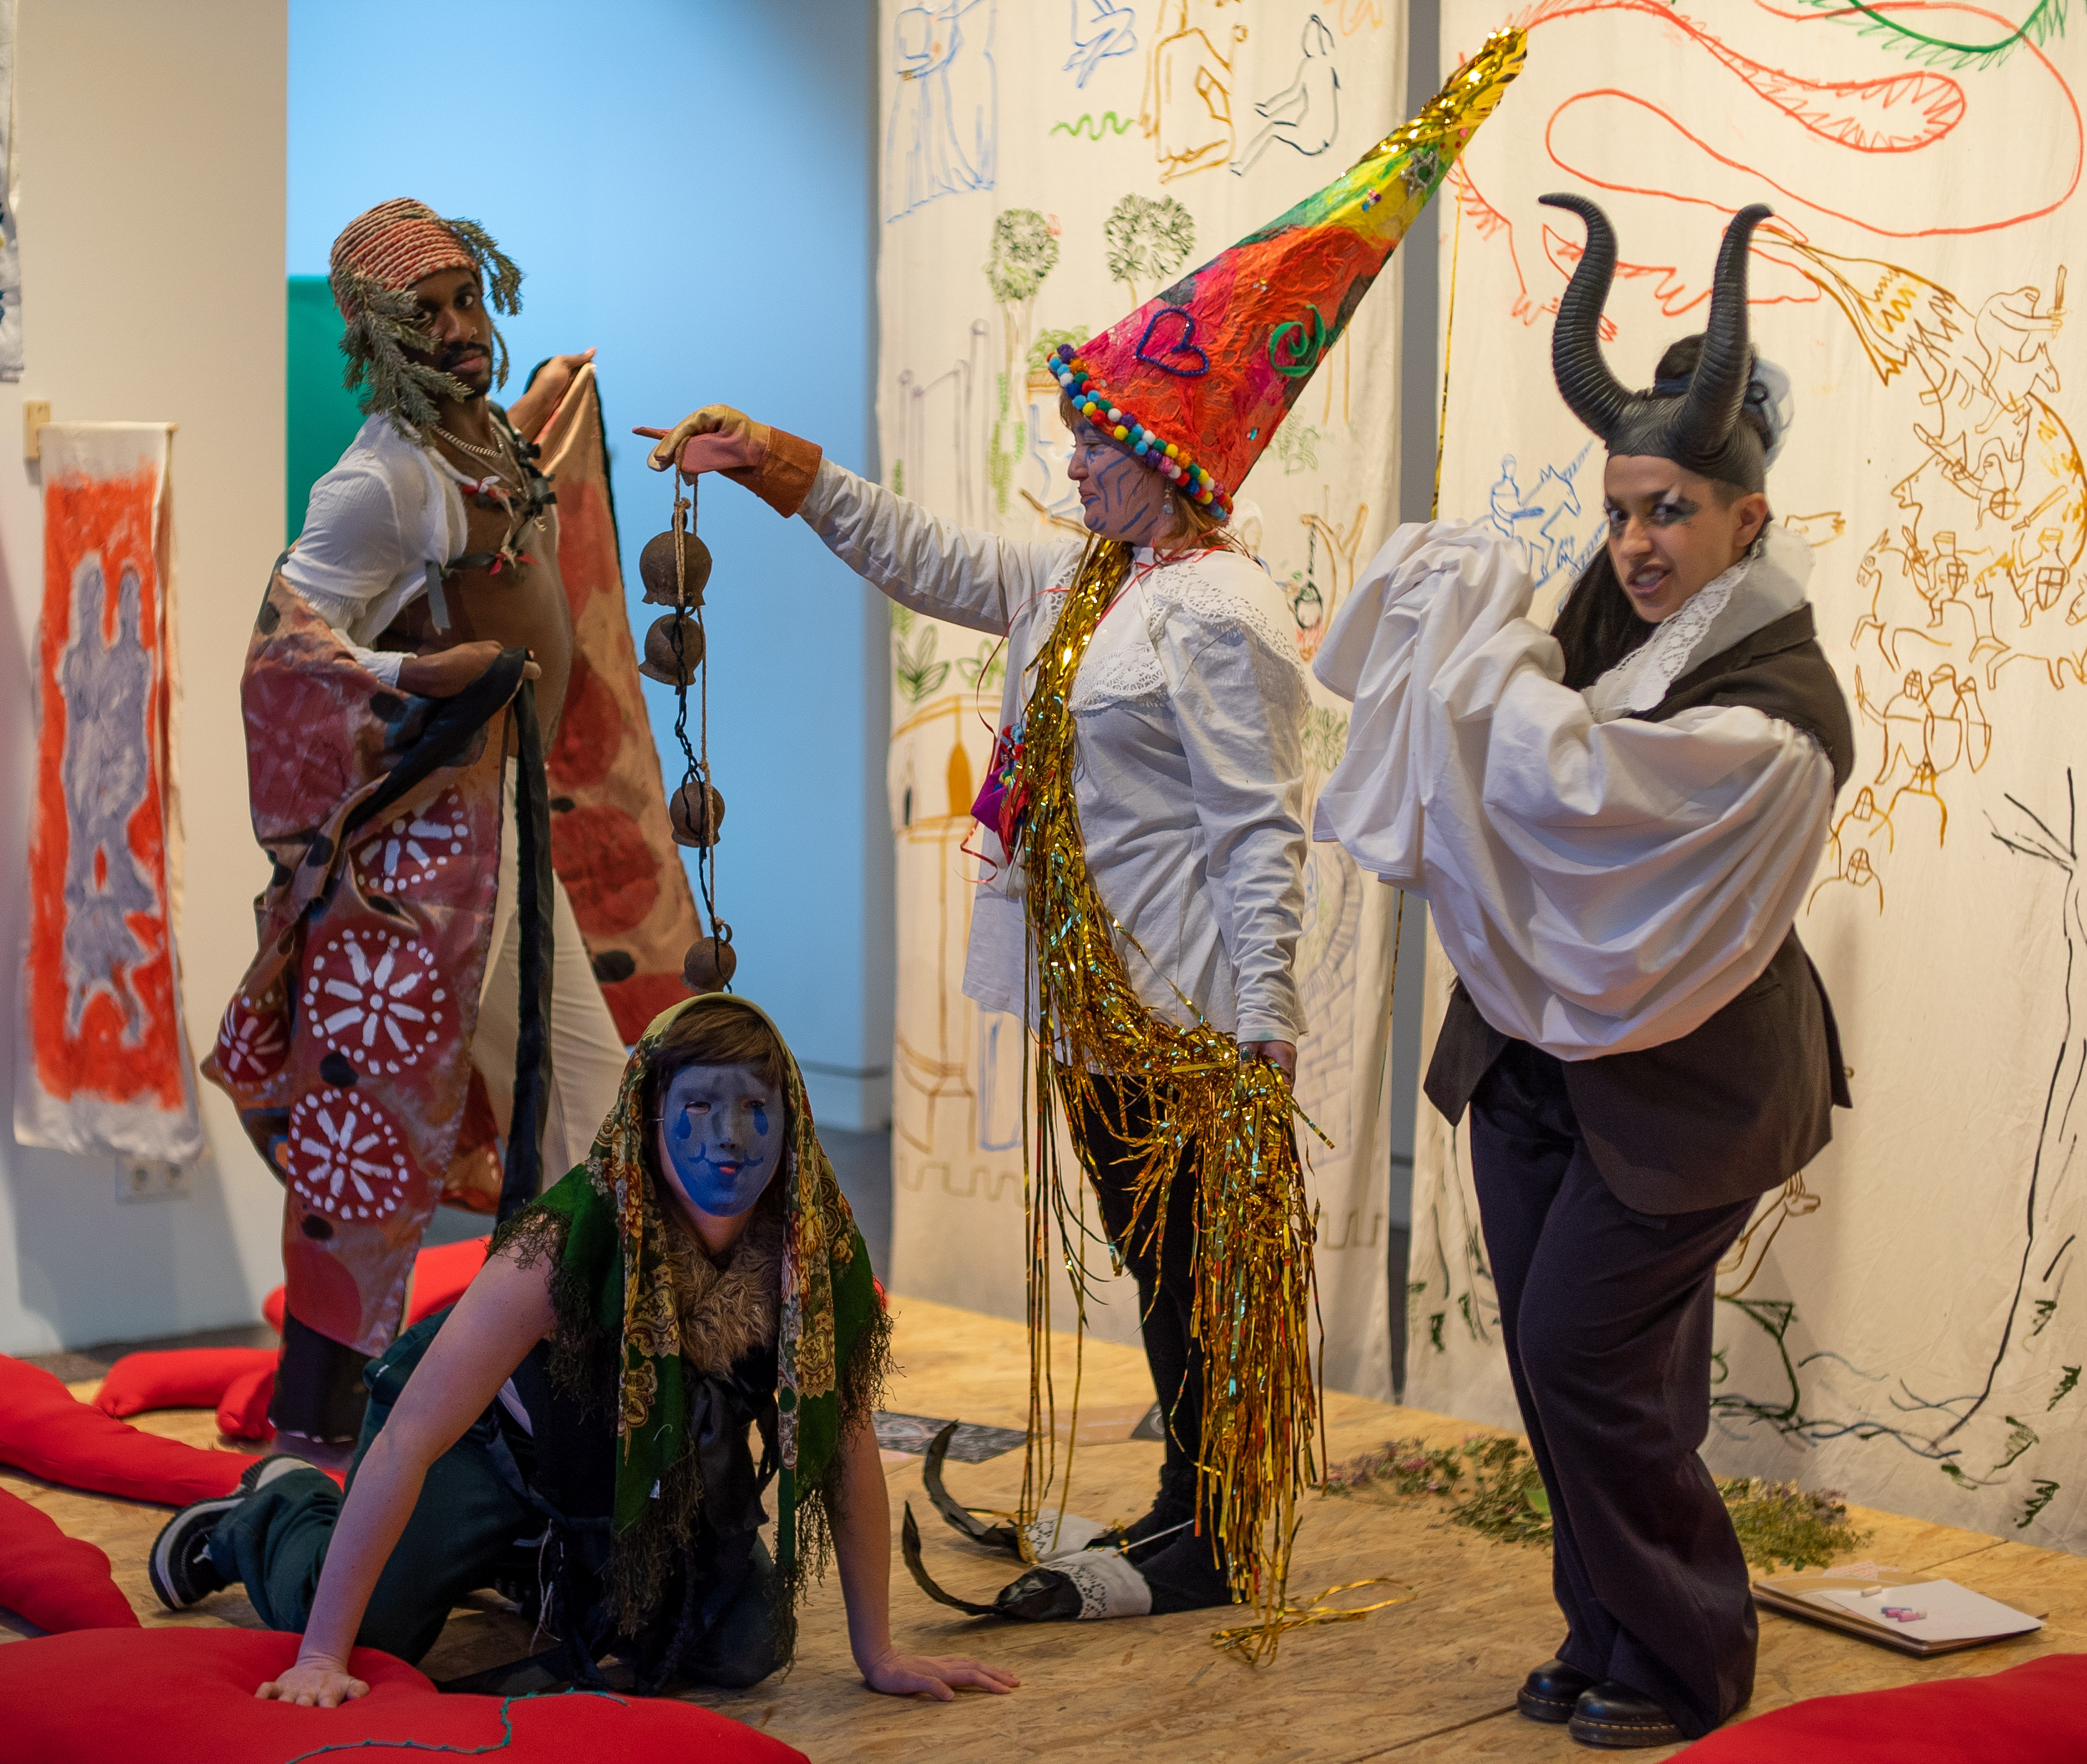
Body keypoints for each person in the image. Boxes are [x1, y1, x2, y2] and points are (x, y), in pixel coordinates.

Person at [637, 33, 1525, 1626]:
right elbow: (941, 562)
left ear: (1170, 461)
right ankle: (1199, 1502)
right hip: (1091, 1009)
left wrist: (1260, 1032)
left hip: (1179, 1018)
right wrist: (782, 468)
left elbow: (1265, 834)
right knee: (1153, 1266)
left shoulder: (1217, 613)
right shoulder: (1085, 581)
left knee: (1194, 1271)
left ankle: (1212, 1528)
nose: (1071, 463)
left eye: (1097, 444)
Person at [1308, 197, 1852, 1748]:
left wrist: (1487, 663)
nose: (1634, 543)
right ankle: (1604, 1625)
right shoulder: (1623, 604)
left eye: (1669, 510)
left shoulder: (1776, 708)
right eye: (1620, 510)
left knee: (1578, 1356)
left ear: (1747, 514)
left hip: (1684, 1085)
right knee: (1588, 1377)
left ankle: (1686, 1657)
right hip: (1533, 1062)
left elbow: (1576, 784)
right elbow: (1517, 743)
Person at [151, 995, 1017, 1706]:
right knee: (374, 1629)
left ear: (791, 1120)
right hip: (484, 1447)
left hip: (632, 1458)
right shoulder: (559, 1247)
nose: (729, 1138)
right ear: (651, 1117)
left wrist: (881, 1654)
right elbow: (413, 1437)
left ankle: (541, 1564)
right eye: (701, 1109)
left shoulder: (811, 1245)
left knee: (745, 1641)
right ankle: (273, 1510)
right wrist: (319, 1657)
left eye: (757, 1110)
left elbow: (846, 1438)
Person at [201, 198, 632, 1458]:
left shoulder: (481, 441)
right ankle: (332, 1448)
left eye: (466, 302)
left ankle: (556, 1401)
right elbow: (281, 654)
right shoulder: (377, 482)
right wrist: (411, 678)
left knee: (585, 1114)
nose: (459, 332)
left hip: (505, 832)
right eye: (424, 315)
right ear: (376, 341)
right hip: (430, 865)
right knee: (390, 1137)